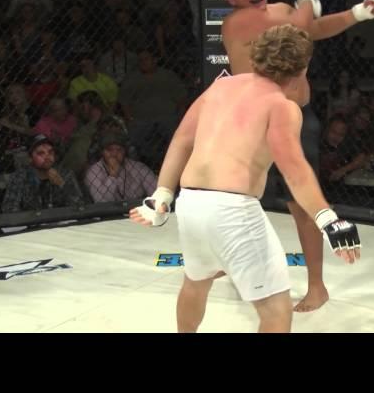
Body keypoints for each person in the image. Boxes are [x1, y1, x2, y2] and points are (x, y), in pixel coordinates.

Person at [129, 25, 360, 333]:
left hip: (190, 202)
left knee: (196, 282)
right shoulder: (282, 106)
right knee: (276, 310)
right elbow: (294, 170)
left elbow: (182, 139)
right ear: (302, 68)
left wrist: (162, 194)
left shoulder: (220, 87)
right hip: (232, 211)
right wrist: (328, 219)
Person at [214, 0, 374, 312]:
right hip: (254, 122)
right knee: (237, 198)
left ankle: (316, 286)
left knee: (302, 203)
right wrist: (308, 3)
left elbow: (313, 29)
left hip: (294, 119)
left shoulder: (283, 11)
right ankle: (233, 262)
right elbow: (300, 24)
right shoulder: (236, 23)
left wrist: (359, 13)